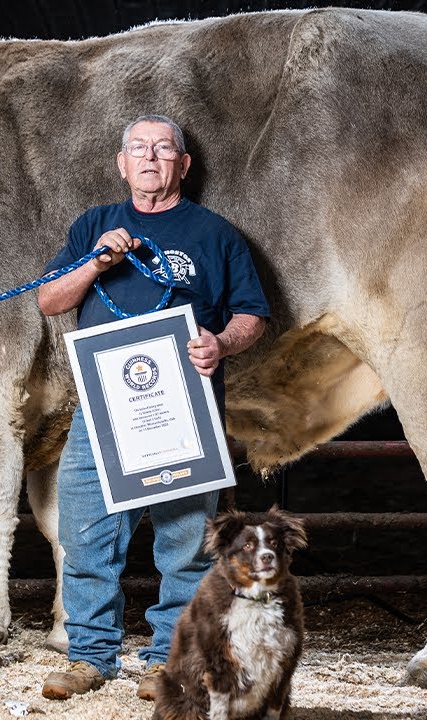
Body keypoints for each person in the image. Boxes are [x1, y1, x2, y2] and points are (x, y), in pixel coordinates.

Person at [37, 115, 270, 701]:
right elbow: (49, 300)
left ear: (182, 165)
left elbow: (253, 316)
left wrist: (221, 342)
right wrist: (94, 262)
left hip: (186, 409)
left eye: (163, 149)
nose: (150, 157)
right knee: (86, 531)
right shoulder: (95, 225)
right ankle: (90, 657)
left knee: (185, 541)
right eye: (138, 149)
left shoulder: (216, 234)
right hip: (102, 409)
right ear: (122, 164)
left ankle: (168, 660)